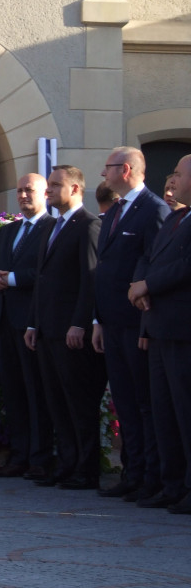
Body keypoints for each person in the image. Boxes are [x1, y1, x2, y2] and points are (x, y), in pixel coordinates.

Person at [24, 165, 106, 491]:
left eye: (56, 185)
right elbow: (42, 280)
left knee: (78, 402)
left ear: (75, 189)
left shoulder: (89, 225)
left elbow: (90, 280)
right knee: (55, 401)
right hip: (46, 329)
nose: (49, 191)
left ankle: (86, 469)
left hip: (71, 332)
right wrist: (33, 322)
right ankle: (68, 463)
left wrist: (79, 323)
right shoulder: (51, 227)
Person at [93, 147, 168, 501]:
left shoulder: (154, 210)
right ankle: (131, 471)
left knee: (144, 403)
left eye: (107, 168)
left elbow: (153, 267)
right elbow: (105, 270)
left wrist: (145, 327)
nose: (102, 175)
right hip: (111, 323)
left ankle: (152, 477)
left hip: (136, 325)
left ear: (124, 169)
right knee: (123, 402)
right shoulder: (115, 211)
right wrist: (98, 320)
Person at [129, 154, 191, 513]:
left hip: (183, 332)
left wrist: (147, 284)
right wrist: (139, 282)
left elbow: (186, 266)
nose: (173, 181)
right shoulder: (176, 219)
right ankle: (172, 483)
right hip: (159, 329)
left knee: (185, 411)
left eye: (179, 175)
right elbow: (148, 257)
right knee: (164, 412)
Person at [0, 173, 55, 480]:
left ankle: (40, 457)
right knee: (12, 392)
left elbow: (47, 274)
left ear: (46, 194)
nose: (23, 195)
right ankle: (19, 453)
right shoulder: (8, 230)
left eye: (29, 190)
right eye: (20, 190)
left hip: (31, 322)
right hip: (4, 321)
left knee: (35, 392)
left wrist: (10, 279)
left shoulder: (52, 228)